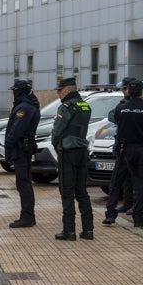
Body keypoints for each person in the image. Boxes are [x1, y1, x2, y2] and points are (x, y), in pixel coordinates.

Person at [103, 79, 143, 227]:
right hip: (142, 149)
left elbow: (118, 122)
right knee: (140, 185)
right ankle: (138, 219)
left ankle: (110, 215)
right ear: (142, 91)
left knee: (115, 183)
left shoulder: (121, 108)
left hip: (124, 149)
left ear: (128, 92)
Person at [51, 77, 94, 240]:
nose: (58, 94)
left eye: (60, 90)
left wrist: (56, 144)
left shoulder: (66, 107)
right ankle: (88, 230)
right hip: (82, 151)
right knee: (82, 191)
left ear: (68, 89)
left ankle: (69, 231)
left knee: (67, 191)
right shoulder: (85, 105)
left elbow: (57, 130)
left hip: (68, 152)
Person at [5, 79, 41, 228]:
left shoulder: (24, 108)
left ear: (20, 91)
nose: (13, 93)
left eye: (15, 90)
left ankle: (27, 216)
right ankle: (28, 215)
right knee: (24, 183)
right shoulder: (29, 105)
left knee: (23, 183)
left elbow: (16, 130)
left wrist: (8, 144)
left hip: (21, 150)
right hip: (24, 149)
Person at [110, 76, 136, 215]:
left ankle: (134, 206)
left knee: (134, 179)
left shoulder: (139, 104)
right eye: (123, 89)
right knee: (125, 178)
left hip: (134, 145)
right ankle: (127, 203)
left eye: (125, 89)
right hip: (122, 145)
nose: (123, 91)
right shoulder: (122, 104)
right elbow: (115, 119)